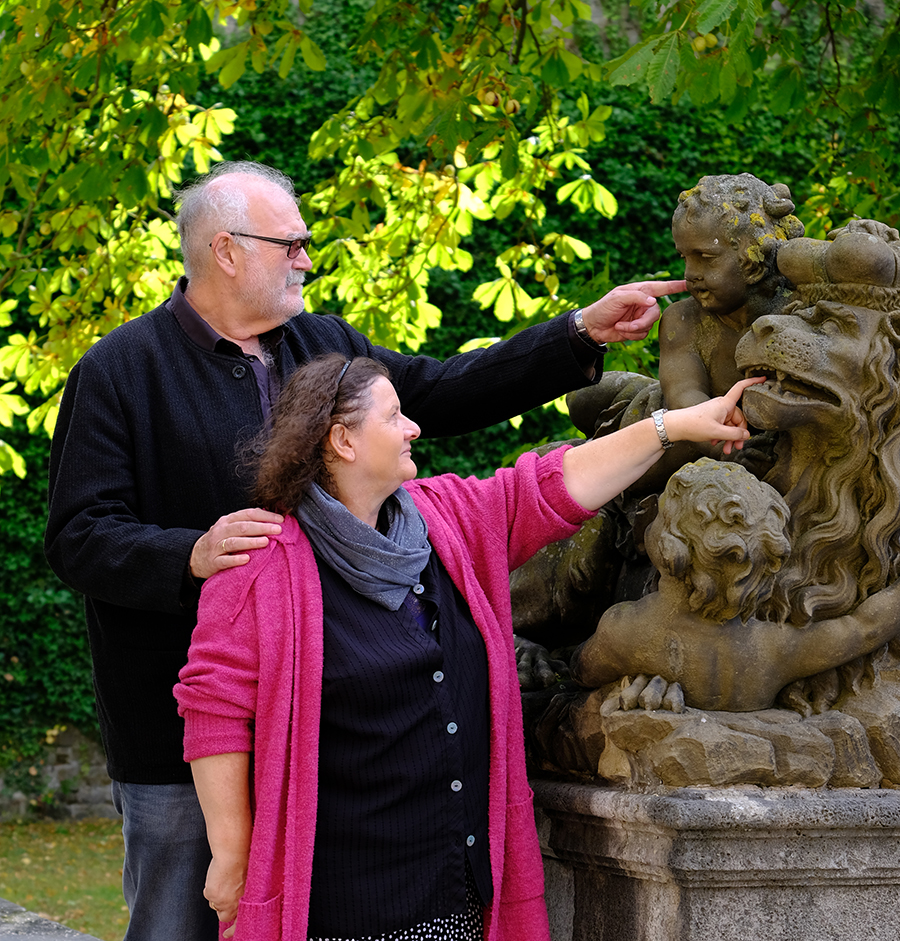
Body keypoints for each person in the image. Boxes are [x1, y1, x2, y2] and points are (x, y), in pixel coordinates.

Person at [43, 158, 686, 941]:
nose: (307, 259)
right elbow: (78, 536)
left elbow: (443, 389)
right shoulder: (118, 370)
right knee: (183, 922)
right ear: (226, 250)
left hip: (328, 743)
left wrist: (576, 332)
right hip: (177, 744)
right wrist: (190, 554)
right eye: (292, 244)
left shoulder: (321, 344)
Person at [173, 354, 761, 941]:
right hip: (342, 904)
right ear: (342, 441)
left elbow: (557, 482)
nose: (414, 428)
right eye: (395, 416)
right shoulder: (257, 570)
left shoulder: (444, 518)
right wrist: (230, 853)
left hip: (455, 895)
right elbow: (215, 714)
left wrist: (675, 426)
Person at [569, 457, 900, 712]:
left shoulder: (627, 630)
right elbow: (863, 629)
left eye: (658, 515)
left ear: (671, 550)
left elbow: (581, 671)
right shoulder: (775, 648)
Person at [659, 173, 804, 412]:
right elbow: (684, 399)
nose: (690, 273)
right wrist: (729, 445)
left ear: (754, 260)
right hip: (691, 431)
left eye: (706, 258)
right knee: (587, 397)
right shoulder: (682, 320)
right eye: (684, 257)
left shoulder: (798, 313)